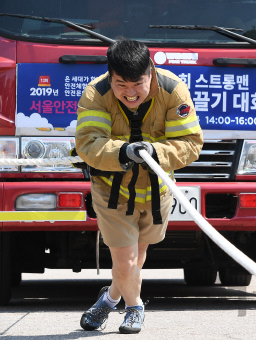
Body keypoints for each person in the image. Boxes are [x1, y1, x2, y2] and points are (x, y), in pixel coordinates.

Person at [75, 39, 203, 333]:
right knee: (126, 257)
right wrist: (124, 152)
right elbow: (88, 143)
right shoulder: (96, 93)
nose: (130, 92)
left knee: (137, 256)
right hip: (112, 191)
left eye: (138, 84)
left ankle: (108, 300)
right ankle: (135, 308)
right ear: (110, 75)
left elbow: (190, 144)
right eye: (121, 84)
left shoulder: (173, 91)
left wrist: (156, 153)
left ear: (151, 73)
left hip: (157, 190)